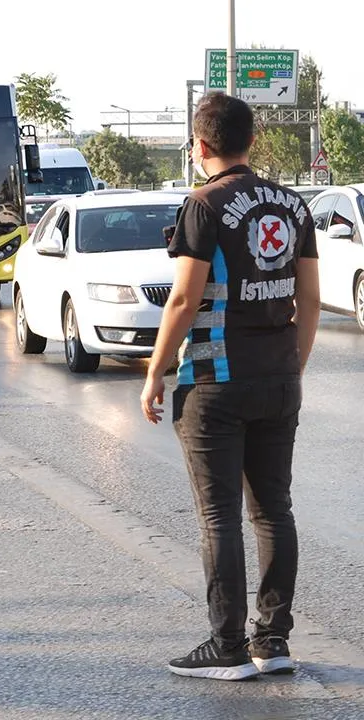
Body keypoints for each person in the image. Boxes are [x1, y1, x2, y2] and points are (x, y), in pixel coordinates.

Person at [140, 93, 319, 682]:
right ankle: (274, 640)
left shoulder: (203, 203)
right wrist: (292, 365)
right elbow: (310, 300)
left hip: (216, 382)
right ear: (251, 141)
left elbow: (185, 300)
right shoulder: (293, 205)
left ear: (201, 146)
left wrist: (155, 373)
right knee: (273, 511)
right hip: (279, 378)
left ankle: (227, 646)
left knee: (219, 516)